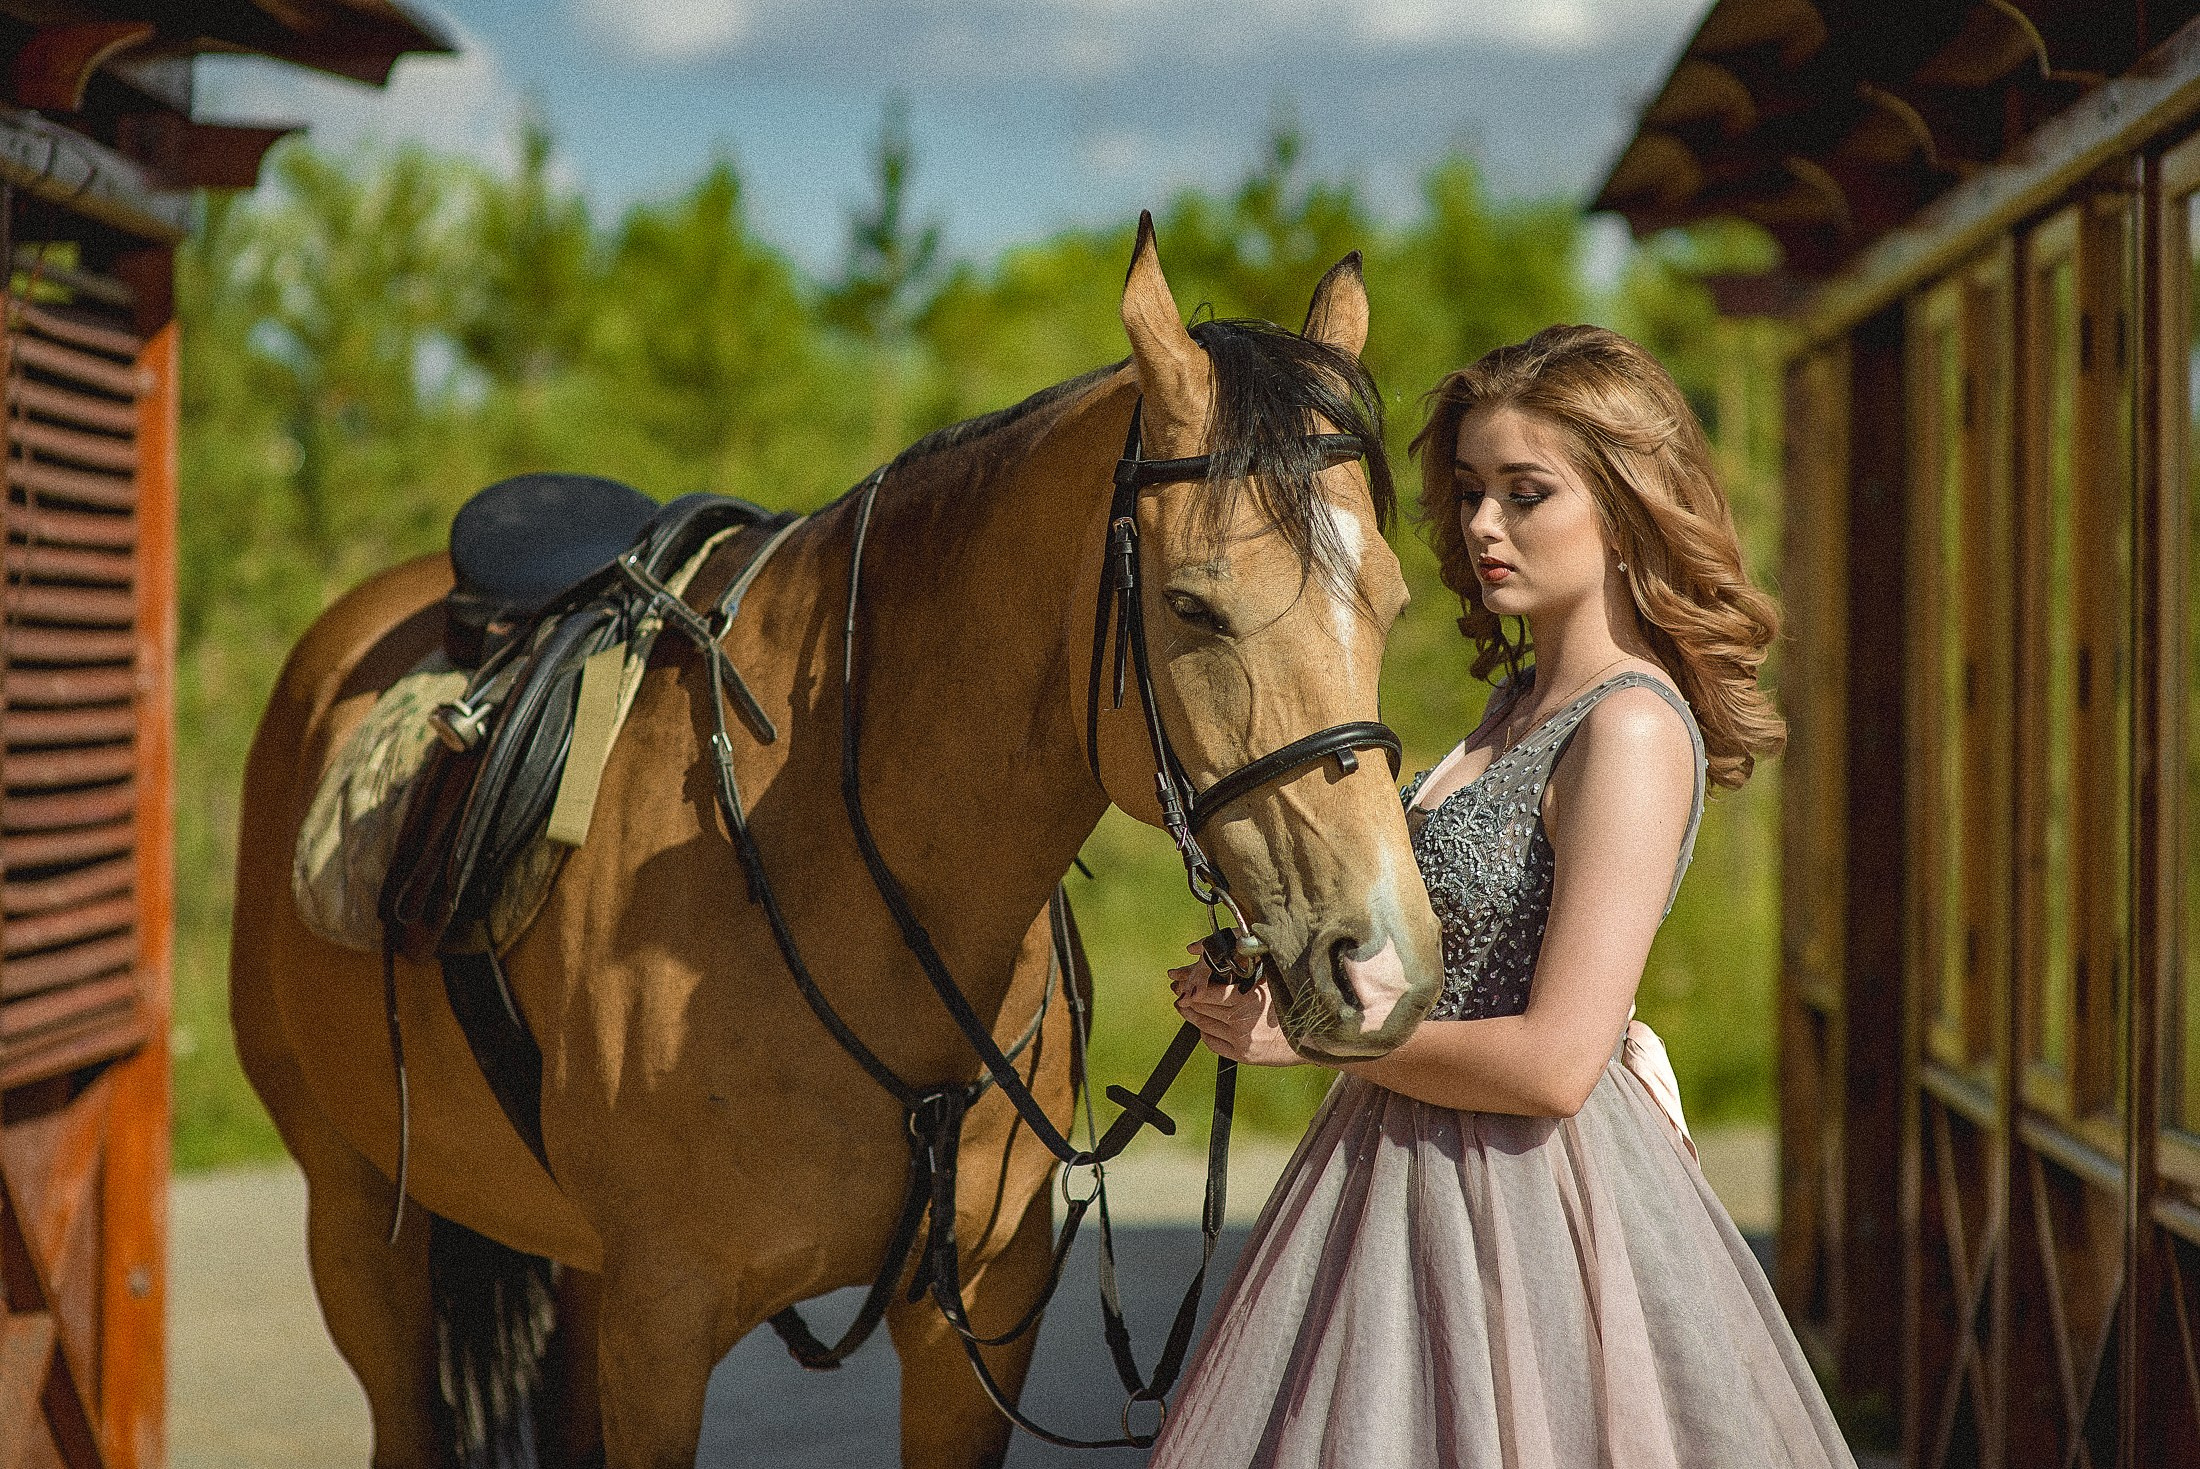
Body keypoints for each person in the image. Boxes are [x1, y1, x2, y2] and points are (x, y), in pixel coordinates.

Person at [1149, 325, 1856, 1468]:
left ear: (1626, 505)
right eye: (1471, 489)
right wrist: (1286, 969)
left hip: (1530, 1211)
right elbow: (1448, 969)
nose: (1482, 525)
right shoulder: (1509, 708)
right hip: (1393, 1175)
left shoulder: (1626, 727)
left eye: (1527, 493)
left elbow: (1556, 1062)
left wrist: (1321, 1038)